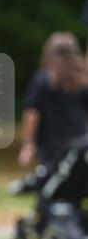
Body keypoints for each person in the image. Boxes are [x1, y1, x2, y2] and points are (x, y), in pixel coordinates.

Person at [18, 32, 88, 170]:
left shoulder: (42, 79)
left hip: (50, 146)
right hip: (78, 144)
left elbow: (32, 113)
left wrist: (28, 144)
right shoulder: (83, 81)